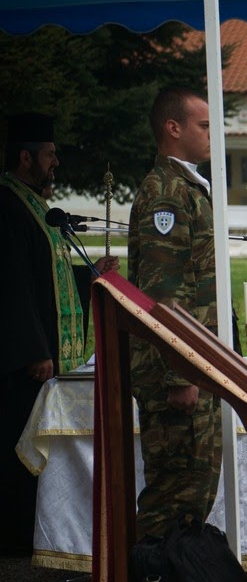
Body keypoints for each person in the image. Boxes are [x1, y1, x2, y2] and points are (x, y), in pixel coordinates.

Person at [1, 112, 119, 553]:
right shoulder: (7, 206)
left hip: (42, 352)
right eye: (49, 155)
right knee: (17, 445)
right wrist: (33, 349)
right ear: (26, 157)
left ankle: (31, 532)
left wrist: (89, 278)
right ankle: (13, 539)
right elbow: (12, 286)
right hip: (21, 362)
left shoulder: (34, 206)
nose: (56, 163)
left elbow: (45, 273)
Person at [127, 87, 223, 541]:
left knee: (197, 487)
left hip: (196, 360)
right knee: (174, 493)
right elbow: (164, 291)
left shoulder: (187, 185)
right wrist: (177, 376)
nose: (211, 133)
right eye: (203, 125)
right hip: (178, 367)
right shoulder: (167, 192)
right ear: (173, 128)